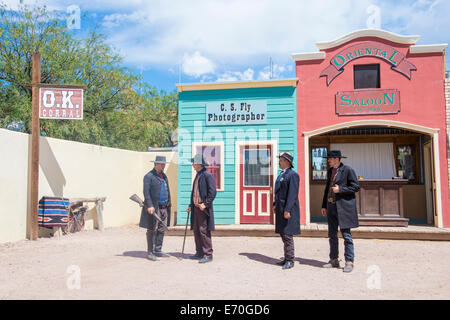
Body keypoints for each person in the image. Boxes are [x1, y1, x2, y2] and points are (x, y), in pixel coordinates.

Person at [321, 150, 359, 273]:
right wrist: (324, 205)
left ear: (337, 159)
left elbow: (355, 187)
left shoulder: (348, 170)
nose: (328, 160)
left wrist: (340, 189)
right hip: (331, 206)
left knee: (346, 236)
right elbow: (327, 189)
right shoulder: (330, 171)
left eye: (330, 158)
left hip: (344, 208)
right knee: (332, 235)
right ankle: (333, 260)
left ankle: (349, 262)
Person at [139, 155, 172, 261]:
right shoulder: (149, 176)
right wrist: (150, 205)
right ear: (156, 164)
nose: (163, 166)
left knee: (161, 228)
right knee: (152, 229)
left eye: (164, 164)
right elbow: (146, 192)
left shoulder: (164, 176)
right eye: (161, 164)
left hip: (164, 206)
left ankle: (158, 249)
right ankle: (150, 252)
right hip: (154, 207)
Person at [186, 154, 217, 264]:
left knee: (203, 231)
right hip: (195, 207)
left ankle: (208, 254)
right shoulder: (198, 175)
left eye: (194, 162)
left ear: (199, 164)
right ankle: (199, 252)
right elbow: (194, 192)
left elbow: (213, 192)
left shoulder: (207, 175)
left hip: (202, 208)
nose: (193, 164)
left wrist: (205, 204)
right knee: (196, 230)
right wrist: (190, 204)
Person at [274, 152, 300, 270]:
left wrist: (287, 209)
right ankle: (286, 257)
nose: (279, 162)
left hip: (287, 209)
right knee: (283, 233)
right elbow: (278, 191)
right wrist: (275, 204)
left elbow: (292, 194)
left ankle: (290, 259)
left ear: (287, 162)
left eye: (281, 160)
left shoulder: (292, 175)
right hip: (280, 207)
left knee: (287, 234)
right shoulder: (282, 174)